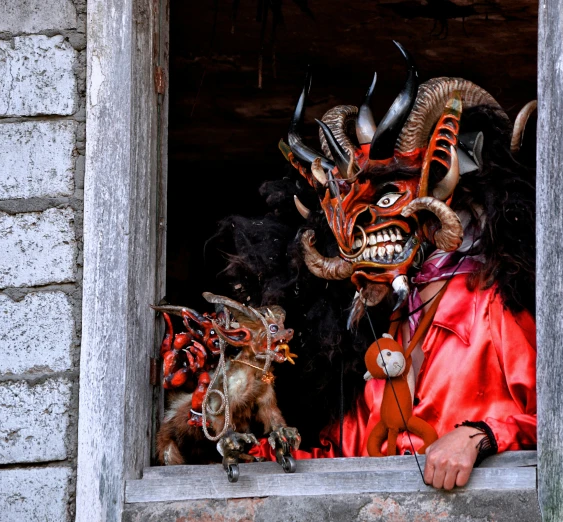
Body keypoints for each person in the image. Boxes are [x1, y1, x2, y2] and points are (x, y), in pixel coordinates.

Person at [212, 43, 537, 489]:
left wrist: (478, 435)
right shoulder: (382, 324)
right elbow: (344, 453)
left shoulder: (492, 303)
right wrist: (254, 447)